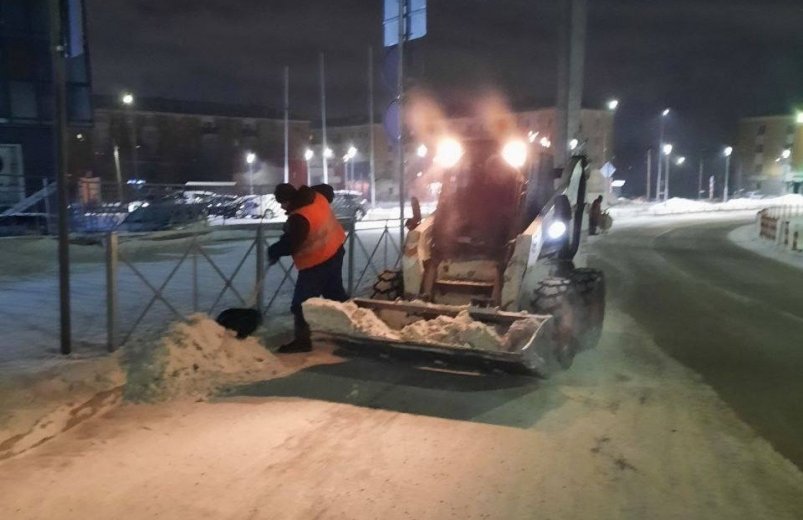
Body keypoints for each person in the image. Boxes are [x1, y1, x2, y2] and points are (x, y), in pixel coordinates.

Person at [268, 183, 347, 353]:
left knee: (301, 303)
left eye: (282, 203)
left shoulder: (299, 217)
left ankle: (302, 341)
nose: (282, 207)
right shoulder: (316, 195)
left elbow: (292, 244)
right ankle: (355, 325)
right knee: (335, 294)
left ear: (289, 200)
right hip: (336, 248)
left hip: (318, 261)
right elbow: (328, 191)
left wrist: (274, 250)